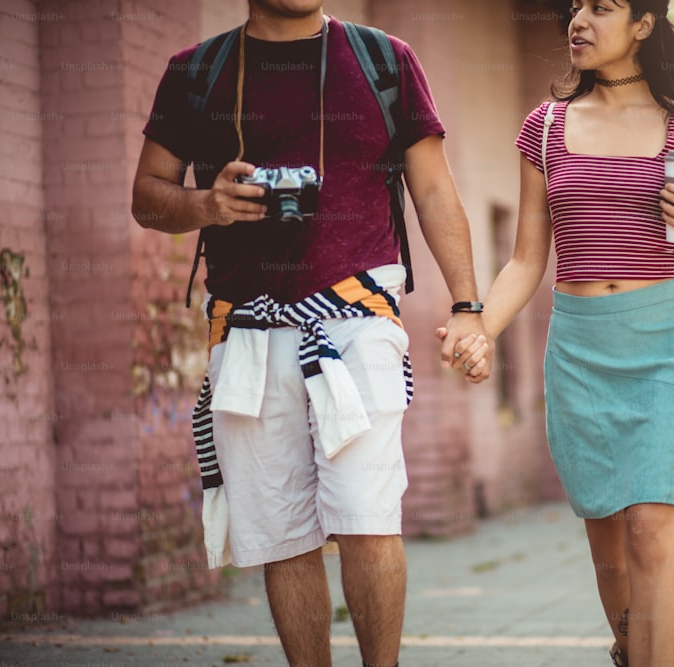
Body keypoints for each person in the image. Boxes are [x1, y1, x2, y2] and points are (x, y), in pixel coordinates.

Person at [131, 1, 491, 666]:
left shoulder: (385, 60)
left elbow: (435, 192)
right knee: (281, 533)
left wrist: (468, 305)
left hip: (357, 320)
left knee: (367, 518)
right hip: (245, 327)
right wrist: (208, 204)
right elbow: (147, 196)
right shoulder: (196, 72)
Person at [444, 1, 674, 665]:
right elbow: (525, 258)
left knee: (648, 533)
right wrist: (477, 325)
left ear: (642, 26)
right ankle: (633, 645)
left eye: (601, 7)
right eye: (575, 5)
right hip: (578, 350)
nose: (579, 17)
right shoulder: (544, 129)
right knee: (608, 554)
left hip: (665, 343)